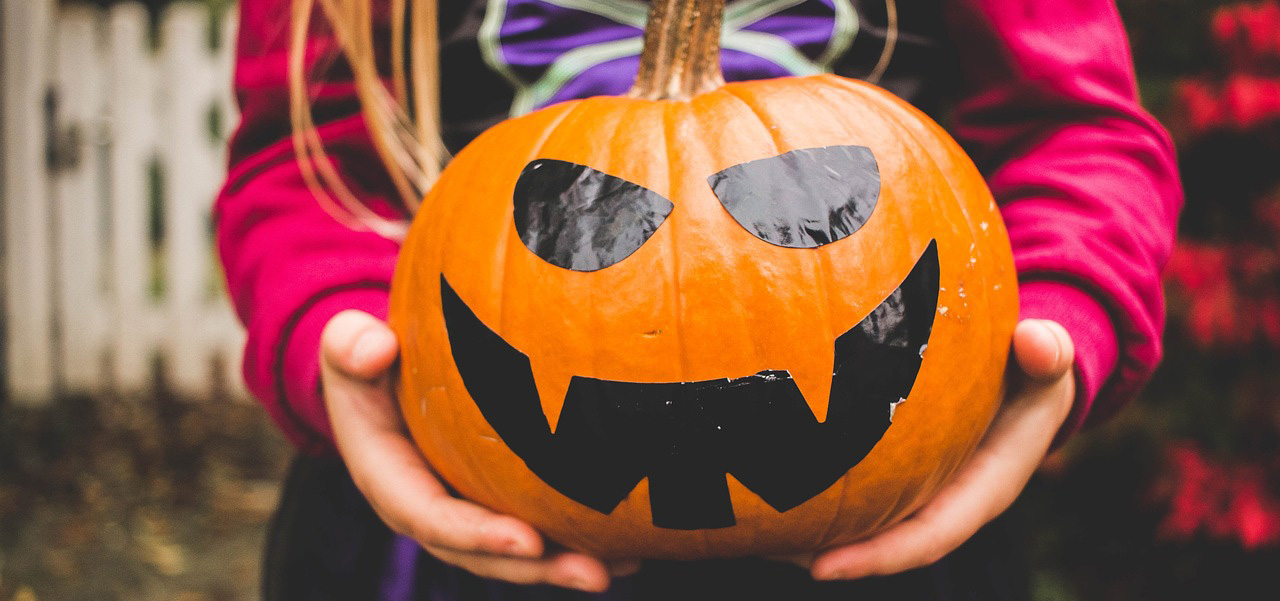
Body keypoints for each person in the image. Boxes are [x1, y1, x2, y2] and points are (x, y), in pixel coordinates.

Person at [215, 0, 1182, 599]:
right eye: (578, 216)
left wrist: (1059, 317)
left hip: (901, 520)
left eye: (814, 200)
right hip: (446, 527)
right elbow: (302, 164)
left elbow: (1078, 130)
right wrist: (333, 338)